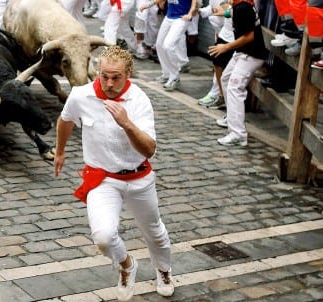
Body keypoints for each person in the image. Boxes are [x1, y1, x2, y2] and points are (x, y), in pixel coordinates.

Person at [54, 46, 174, 301]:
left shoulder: (139, 99)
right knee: (104, 237)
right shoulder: (80, 95)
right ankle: (126, 265)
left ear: (128, 73)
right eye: (104, 76)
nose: (109, 83)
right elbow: (65, 119)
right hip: (103, 179)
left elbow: (149, 149)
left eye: (116, 77)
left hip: (139, 178)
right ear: (97, 71)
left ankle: (163, 270)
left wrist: (127, 124)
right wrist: (60, 151)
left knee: (154, 231)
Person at [209, 0, 267, 146]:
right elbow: (230, 13)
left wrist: (226, 47)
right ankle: (231, 117)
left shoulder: (243, 7)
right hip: (242, 52)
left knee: (235, 88)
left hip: (252, 55)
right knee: (225, 79)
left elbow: (250, 36)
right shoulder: (239, 6)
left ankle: (238, 134)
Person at [140, 0, 197, 91]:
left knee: (168, 46)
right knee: (159, 45)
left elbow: (194, 4)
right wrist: (148, 5)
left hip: (181, 18)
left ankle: (175, 77)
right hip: (169, 17)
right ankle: (166, 74)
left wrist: (190, 14)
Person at [199, 0, 235, 110]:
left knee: (230, 74)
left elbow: (232, 11)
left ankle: (227, 102)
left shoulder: (244, 5)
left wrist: (224, 11)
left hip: (235, 37)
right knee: (217, 62)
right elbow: (217, 7)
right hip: (223, 34)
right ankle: (221, 96)